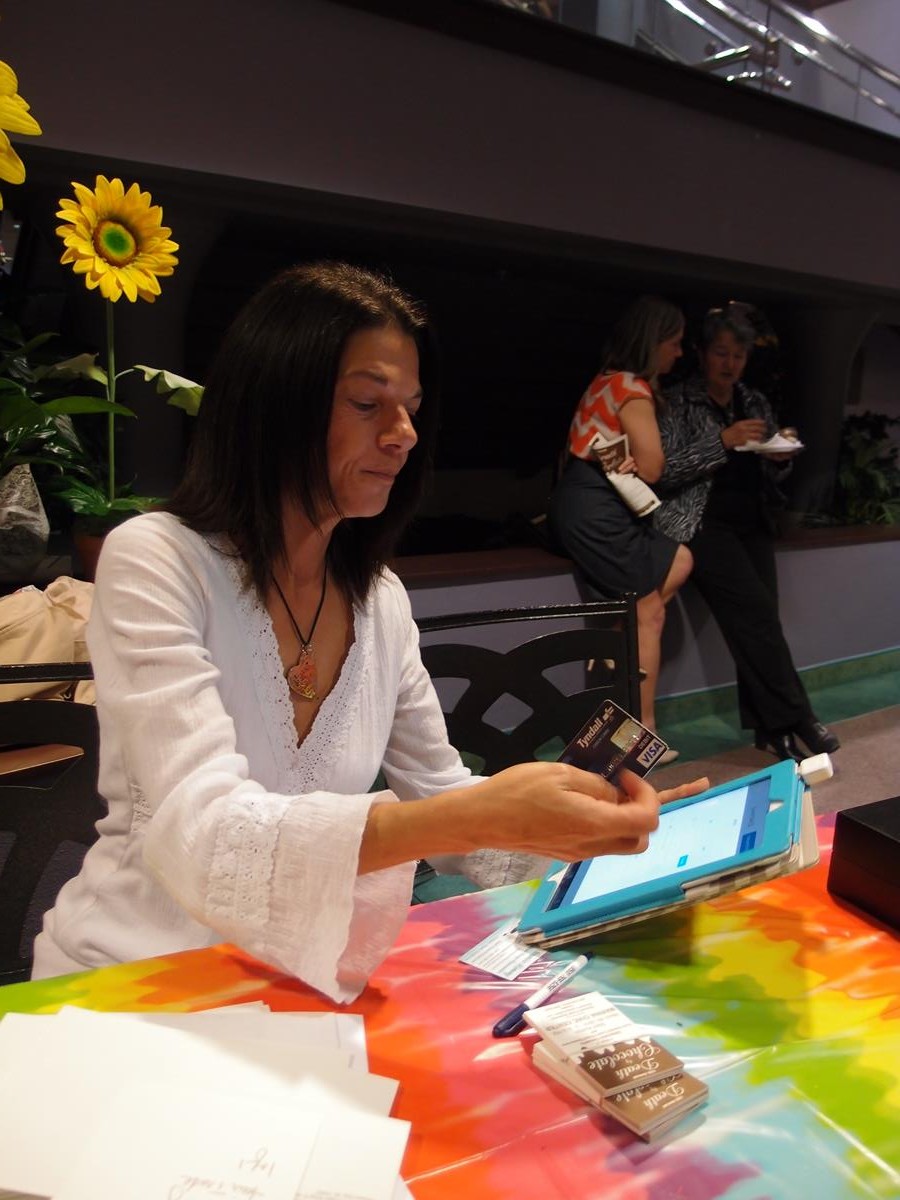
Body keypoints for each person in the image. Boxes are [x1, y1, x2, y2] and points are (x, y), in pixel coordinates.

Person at [33, 262, 705, 1001]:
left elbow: (442, 792)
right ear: (273, 405)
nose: (404, 434)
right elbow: (207, 832)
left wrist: (610, 834)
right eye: (367, 403)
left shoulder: (379, 600)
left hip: (298, 977)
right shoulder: (158, 559)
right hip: (134, 972)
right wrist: (470, 815)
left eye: (411, 408)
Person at [654, 304, 840, 762]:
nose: (730, 363)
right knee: (757, 620)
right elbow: (665, 471)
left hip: (752, 522)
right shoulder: (677, 401)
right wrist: (723, 441)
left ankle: (769, 730)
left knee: (757, 624)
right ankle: (800, 719)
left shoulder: (753, 400)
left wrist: (780, 457)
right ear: (701, 353)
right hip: (702, 524)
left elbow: (770, 466)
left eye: (738, 355)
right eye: (721, 353)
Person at [547, 296, 693, 751]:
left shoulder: (604, 381)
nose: (679, 353)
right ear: (653, 342)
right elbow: (653, 466)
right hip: (597, 506)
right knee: (648, 612)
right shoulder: (631, 385)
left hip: (584, 500)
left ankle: (612, 650)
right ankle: (639, 738)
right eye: (674, 342)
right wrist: (639, 456)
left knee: (679, 561)